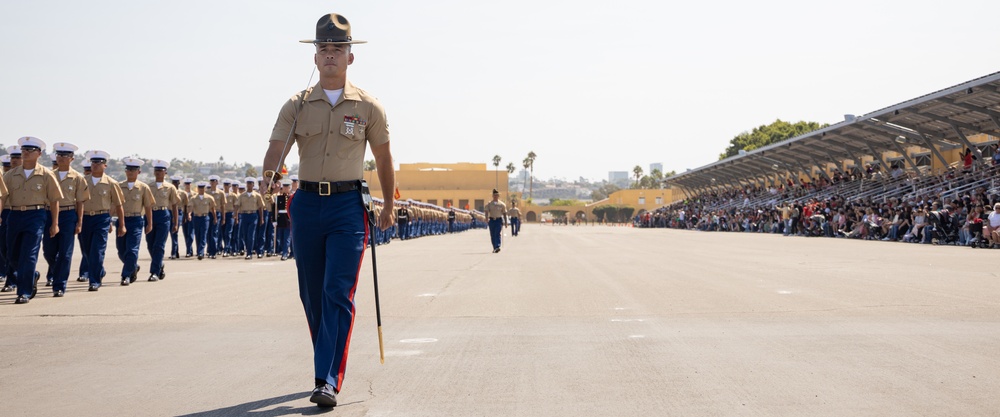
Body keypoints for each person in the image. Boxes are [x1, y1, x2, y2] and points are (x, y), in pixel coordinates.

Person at [260, 13, 395, 408]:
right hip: (306, 205)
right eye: (324, 49)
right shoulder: (297, 105)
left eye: (339, 48)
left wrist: (387, 203)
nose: (331, 55)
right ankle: (327, 359)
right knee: (312, 294)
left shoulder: (369, 107)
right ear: (315, 57)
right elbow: (276, 148)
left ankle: (328, 378)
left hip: (348, 208)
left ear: (351, 56)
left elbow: (385, 158)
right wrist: (269, 174)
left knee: (338, 291)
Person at [4, 137, 62, 304]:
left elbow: (54, 200)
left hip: (35, 216)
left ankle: (24, 292)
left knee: (29, 255)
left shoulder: (46, 174)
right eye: (24, 150)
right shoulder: (10, 175)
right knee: (11, 256)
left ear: (39, 154)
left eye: (29, 150)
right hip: (14, 216)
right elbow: (2, 197)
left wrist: (55, 223)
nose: (25, 153)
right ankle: (32, 275)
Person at [43, 143, 90, 297]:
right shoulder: (49, 175)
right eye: (59, 155)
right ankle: (58, 272)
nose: (61, 158)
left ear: (72, 159)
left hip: (68, 215)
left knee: (65, 253)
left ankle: (59, 285)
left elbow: (80, 202)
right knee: (48, 251)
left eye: (65, 155)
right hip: (49, 214)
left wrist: (79, 222)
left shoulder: (77, 178)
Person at [79, 151, 125, 291]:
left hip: (101, 218)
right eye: (93, 162)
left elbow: (118, 205)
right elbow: (78, 202)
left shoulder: (111, 183)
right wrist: (78, 221)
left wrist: (121, 225)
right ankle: (99, 271)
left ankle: (94, 281)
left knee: (97, 251)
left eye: (98, 163)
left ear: (105, 165)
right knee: (86, 251)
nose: (95, 165)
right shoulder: (82, 181)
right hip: (85, 218)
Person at [116, 158, 154, 286]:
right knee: (121, 251)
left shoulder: (143, 187)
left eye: (133, 170)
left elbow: (148, 206)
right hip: (122, 220)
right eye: (128, 169)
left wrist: (150, 223)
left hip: (136, 220)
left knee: (132, 250)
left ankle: (126, 275)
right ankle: (133, 266)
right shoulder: (119, 186)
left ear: (139, 171)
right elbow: (114, 205)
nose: (130, 172)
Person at [146, 160, 179, 280]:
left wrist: (176, 223)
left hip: (163, 215)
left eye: (161, 170)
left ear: (166, 172)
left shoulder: (170, 187)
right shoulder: (148, 187)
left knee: (159, 245)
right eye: (156, 170)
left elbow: (175, 205)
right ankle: (159, 263)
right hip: (150, 215)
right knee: (150, 244)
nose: (158, 172)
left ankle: (154, 272)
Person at [235, 177, 264, 260]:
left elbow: (260, 207)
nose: (249, 185)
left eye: (251, 184)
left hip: (253, 215)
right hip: (244, 216)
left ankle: (249, 253)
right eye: (248, 183)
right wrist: (236, 216)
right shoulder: (242, 195)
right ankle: (249, 250)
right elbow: (237, 205)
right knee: (245, 235)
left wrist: (261, 218)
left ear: (253, 185)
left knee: (250, 235)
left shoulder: (257, 196)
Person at [189, 182, 217, 260]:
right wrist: (189, 214)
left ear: (204, 189)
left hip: (205, 218)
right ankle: (199, 251)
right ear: (198, 189)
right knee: (197, 235)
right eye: (200, 188)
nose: (201, 189)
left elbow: (212, 209)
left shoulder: (209, 198)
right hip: (196, 217)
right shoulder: (193, 198)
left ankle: (201, 252)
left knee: (203, 235)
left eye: (202, 188)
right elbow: (190, 207)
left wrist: (215, 218)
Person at [169, 174, 188, 260]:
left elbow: (185, 205)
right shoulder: (169, 191)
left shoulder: (183, 193)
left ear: (179, 183)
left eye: (176, 182)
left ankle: (173, 252)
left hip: (179, 212)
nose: (175, 184)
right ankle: (176, 251)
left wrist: (185, 217)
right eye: (173, 182)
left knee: (174, 232)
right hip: (169, 212)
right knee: (172, 234)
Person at [274, 181, 292, 260]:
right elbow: (274, 209)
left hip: (288, 219)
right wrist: (274, 220)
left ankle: (285, 253)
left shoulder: (291, 197)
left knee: (286, 237)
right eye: (284, 187)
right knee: (280, 237)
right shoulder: (278, 197)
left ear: (289, 188)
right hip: (280, 218)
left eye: (287, 187)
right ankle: (283, 250)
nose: (285, 189)